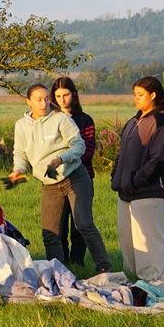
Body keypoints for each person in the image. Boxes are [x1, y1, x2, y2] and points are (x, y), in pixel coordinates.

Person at [7, 84, 112, 273]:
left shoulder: (60, 118)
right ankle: (58, 272)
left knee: (83, 224)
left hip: (75, 177)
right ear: (28, 101)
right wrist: (17, 170)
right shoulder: (21, 125)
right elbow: (20, 153)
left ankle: (104, 267)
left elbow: (79, 146)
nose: (44, 102)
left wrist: (61, 158)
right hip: (49, 183)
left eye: (47, 98)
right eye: (38, 99)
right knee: (50, 233)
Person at [110, 76, 164, 280]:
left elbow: (159, 160)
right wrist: (117, 177)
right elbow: (121, 153)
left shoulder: (160, 121)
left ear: (153, 95)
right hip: (125, 193)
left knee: (150, 242)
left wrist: (135, 181)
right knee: (129, 244)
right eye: (134, 94)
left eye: (140, 95)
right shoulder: (133, 121)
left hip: (148, 193)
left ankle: (155, 285)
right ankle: (134, 284)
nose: (136, 98)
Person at [51, 76, 96, 266]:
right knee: (58, 226)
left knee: (80, 224)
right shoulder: (50, 121)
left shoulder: (85, 120)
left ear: (74, 95)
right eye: (58, 95)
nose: (62, 99)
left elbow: (87, 151)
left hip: (81, 178)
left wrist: (65, 158)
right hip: (56, 180)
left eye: (66, 94)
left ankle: (78, 263)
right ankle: (62, 263)